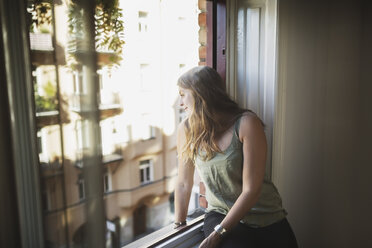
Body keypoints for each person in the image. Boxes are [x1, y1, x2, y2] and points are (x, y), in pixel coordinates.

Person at [174, 66, 298, 248]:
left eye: (183, 94)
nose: (180, 103)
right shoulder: (186, 130)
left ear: (200, 94)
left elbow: (251, 190)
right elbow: (184, 183)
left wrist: (217, 235)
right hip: (221, 214)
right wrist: (179, 225)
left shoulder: (246, 124)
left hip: (266, 216)